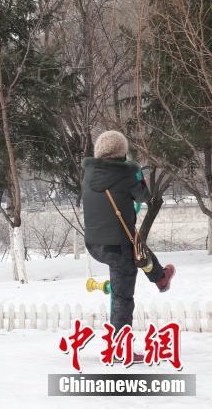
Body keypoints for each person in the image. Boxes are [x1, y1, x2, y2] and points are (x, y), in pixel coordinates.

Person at [82, 130, 176, 333]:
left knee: (137, 245)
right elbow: (144, 196)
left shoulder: (88, 175)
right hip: (117, 247)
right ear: (122, 153)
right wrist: (136, 171)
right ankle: (120, 347)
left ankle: (160, 277)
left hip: (94, 244)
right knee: (122, 297)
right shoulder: (126, 174)